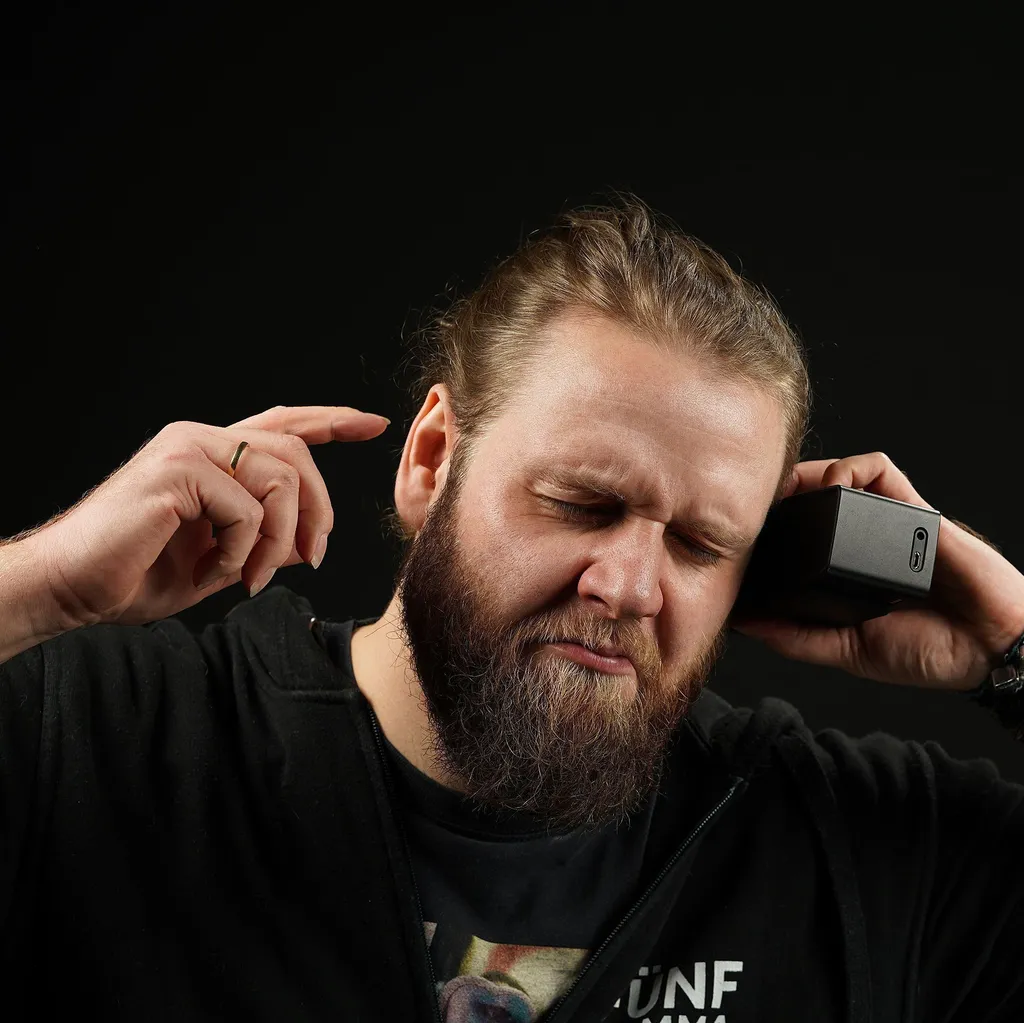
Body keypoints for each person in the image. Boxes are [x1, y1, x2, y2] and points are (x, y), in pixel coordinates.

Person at [2, 199, 1022, 1022]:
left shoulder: (849, 848)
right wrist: (39, 584)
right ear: (432, 460)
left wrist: (1014, 645)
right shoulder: (100, 742)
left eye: (699, 544)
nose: (627, 585)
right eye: (580, 504)